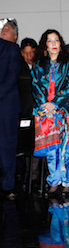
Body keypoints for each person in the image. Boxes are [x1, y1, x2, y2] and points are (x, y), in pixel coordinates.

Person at [31, 30, 69, 196]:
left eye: (56, 40)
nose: (53, 44)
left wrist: (54, 104)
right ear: (45, 45)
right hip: (44, 112)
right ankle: (54, 180)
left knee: (66, 148)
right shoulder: (38, 65)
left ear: (61, 43)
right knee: (51, 150)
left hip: (64, 110)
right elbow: (35, 86)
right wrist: (45, 106)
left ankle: (67, 181)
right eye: (49, 41)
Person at [0, 32, 22, 199]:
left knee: (7, 147)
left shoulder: (11, 48)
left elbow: (12, 77)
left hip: (6, 106)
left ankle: (8, 186)